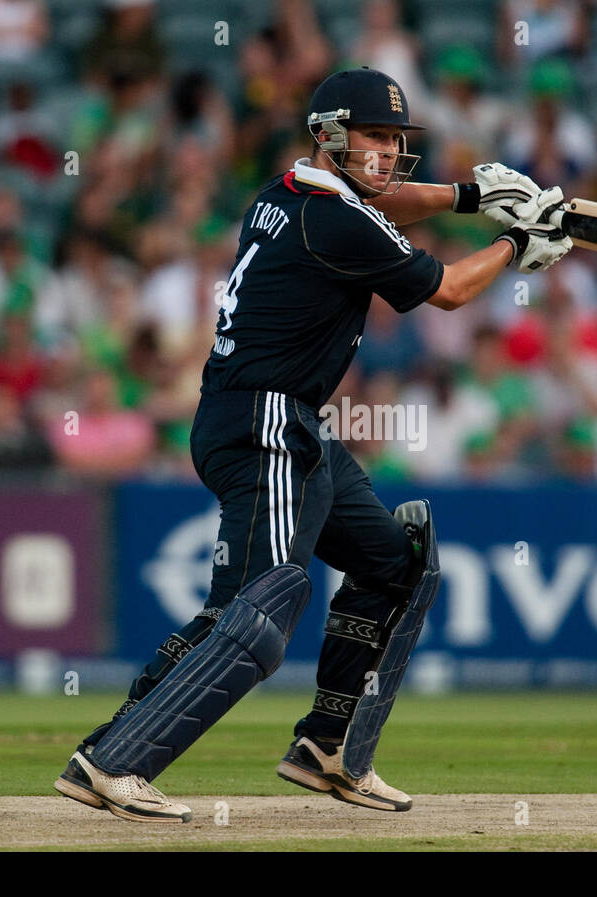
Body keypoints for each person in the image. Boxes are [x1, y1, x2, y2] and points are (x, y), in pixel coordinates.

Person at [54, 66, 570, 822]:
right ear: (331, 135)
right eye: (375, 138)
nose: (390, 153)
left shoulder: (285, 193)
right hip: (260, 420)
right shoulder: (337, 219)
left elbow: (385, 204)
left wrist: (469, 197)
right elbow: (452, 290)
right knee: (258, 607)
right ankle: (112, 758)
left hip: (283, 424)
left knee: (395, 565)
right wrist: (515, 239)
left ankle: (330, 748)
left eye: (398, 140)